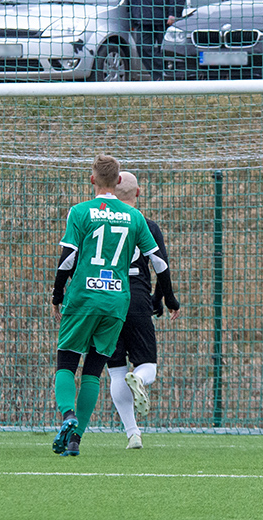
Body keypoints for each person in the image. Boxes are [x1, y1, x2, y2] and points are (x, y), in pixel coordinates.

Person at [51, 154, 175, 456]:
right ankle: (75, 439)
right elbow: (159, 263)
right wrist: (168, 297)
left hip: (84, 297)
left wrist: (57, 295)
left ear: (92, 179)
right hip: (118, 300)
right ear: (119, 181)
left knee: (67, 363)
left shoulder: (80, 212)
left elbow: (68, 258)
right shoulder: (135, 217)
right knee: (93, 370)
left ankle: (69, 416)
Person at [107, 172, 180, 449]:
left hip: (106, 297)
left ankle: (132, 433)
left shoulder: (99, 223)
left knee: (115, 371)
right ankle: (138, 379)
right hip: (136, 297)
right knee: (147, 366)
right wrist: (164, 299)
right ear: (138, 193)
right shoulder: (146, 224)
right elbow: (160, 264)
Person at [128, 0, 186, 80]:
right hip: (142, 18)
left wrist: (174, 13)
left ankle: (167, 77)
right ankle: (159, 77)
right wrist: (133, 15)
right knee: (142, 48)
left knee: (167, 51)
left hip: (164, 19)